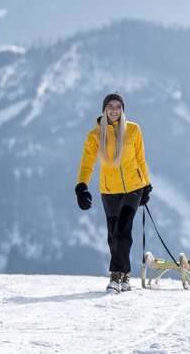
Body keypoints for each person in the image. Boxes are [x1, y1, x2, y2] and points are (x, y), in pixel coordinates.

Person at [74, 91, 153, 294]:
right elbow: (87, 163)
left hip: (133, 189)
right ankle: (125, 276)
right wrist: (81, 185)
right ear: (104, 109)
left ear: (123, 109)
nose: (114, 111)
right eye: (110, 107)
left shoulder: (134, 130)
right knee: (113, 235)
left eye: (118, 107)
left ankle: (116, 275)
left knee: (122, 230)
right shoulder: (95, 136)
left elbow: (140, 159)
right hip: (109, 190)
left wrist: (147, 185)